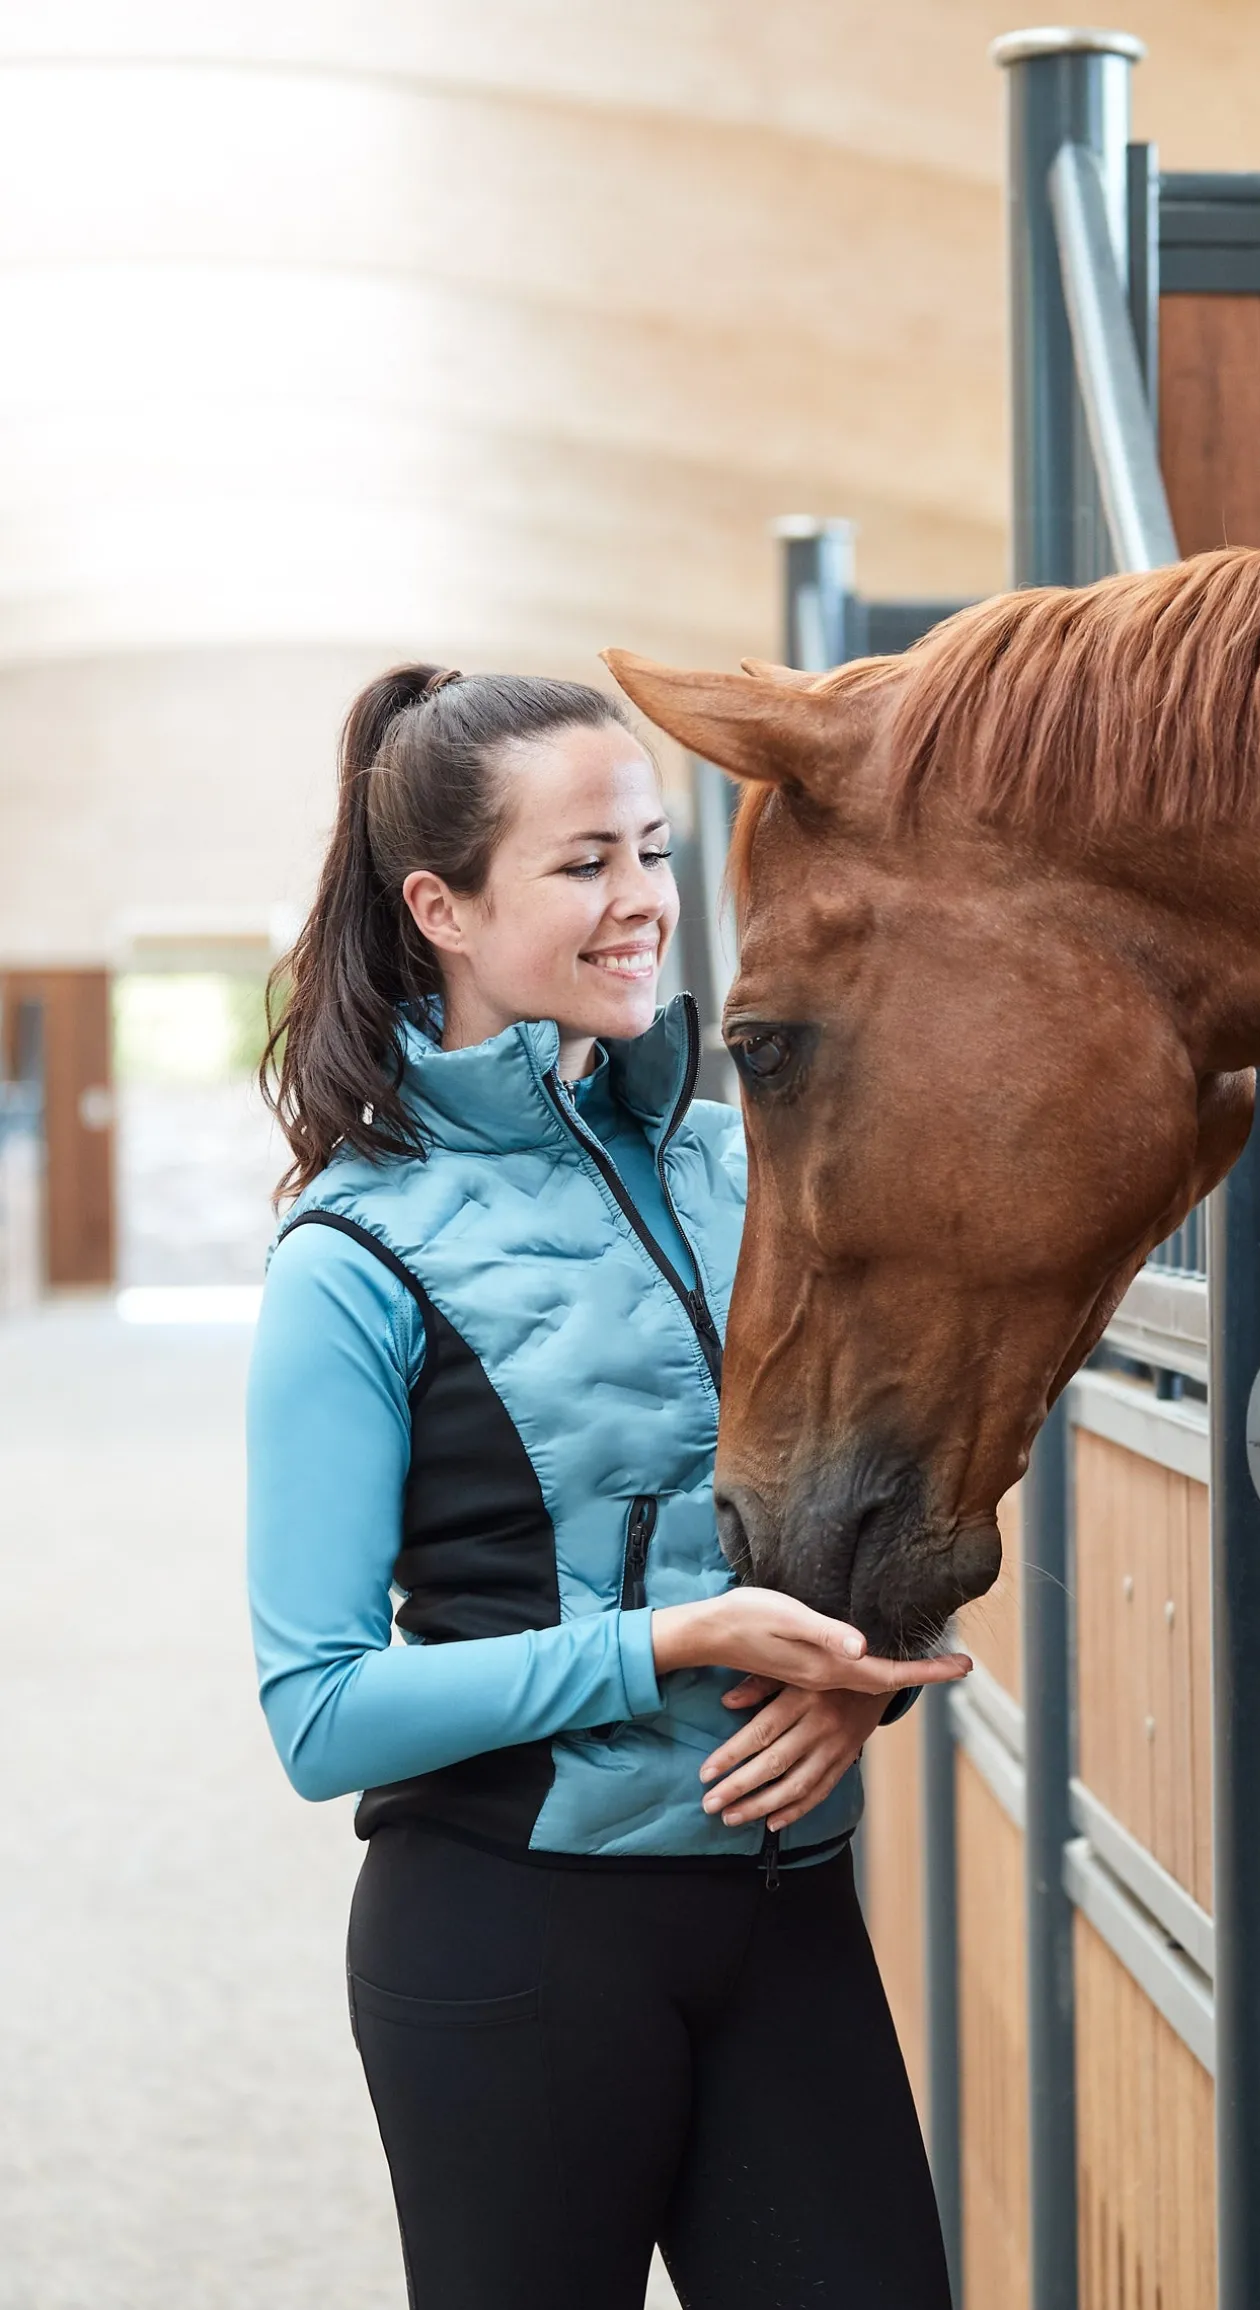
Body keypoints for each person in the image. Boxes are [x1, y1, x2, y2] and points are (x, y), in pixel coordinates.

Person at [246, 664, 970, 2310]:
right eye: (583, 865)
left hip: (787, 1915)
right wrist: (670, 1640)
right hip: (514, 1942)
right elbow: (317, 1710)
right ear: (440, 902)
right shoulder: (352, 1252)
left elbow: (876, 1485)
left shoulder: (746, 1159)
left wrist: (860, 1686)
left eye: (651, 850)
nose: (641, 901)